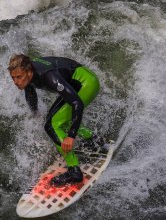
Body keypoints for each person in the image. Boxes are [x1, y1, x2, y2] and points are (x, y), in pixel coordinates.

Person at [8, 54, 100, 186]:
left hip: (86, 84)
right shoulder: (28, 71)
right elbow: (30, 90)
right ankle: (92, 139)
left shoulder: (49, 76)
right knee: (59, 118)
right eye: (13, 78)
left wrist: (71, 136)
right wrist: (35, 113)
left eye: (19, 77)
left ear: (28, 72)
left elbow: (76, 103)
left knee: (51, 125)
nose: (16, 82)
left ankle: (74, 171)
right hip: (79, 81)